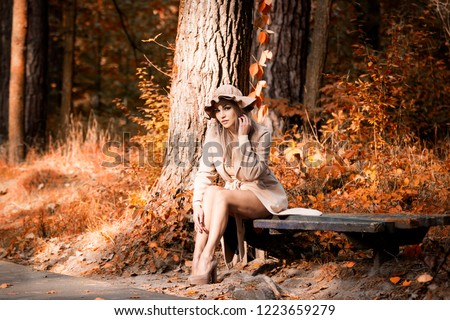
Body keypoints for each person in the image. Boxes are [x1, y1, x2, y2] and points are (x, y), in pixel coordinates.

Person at [189, 84, 288, 285]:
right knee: (211, 192)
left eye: (227, 108)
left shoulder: (261, 133)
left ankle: (208, 257)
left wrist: (243, 139)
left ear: (239, 108)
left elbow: (252, 174)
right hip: (234, 193)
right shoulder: (215, 135)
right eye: (217, 110)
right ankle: (197, 259)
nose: (221, 115)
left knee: (220, 194)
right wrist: (197, 203)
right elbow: (204, 172)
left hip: (262, 195)